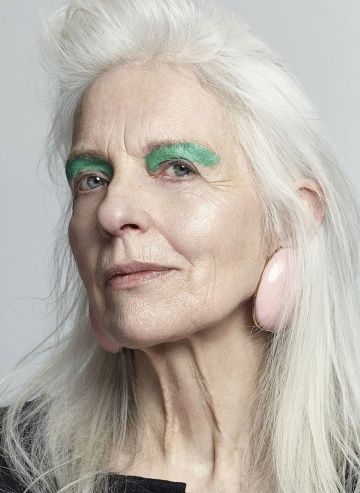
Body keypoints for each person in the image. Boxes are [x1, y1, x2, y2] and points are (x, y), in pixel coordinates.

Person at [1, 0, 360, 491]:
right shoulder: (14, 467)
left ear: (289, 220)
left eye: (178, 167)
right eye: (92, 178)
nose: (111, 211)